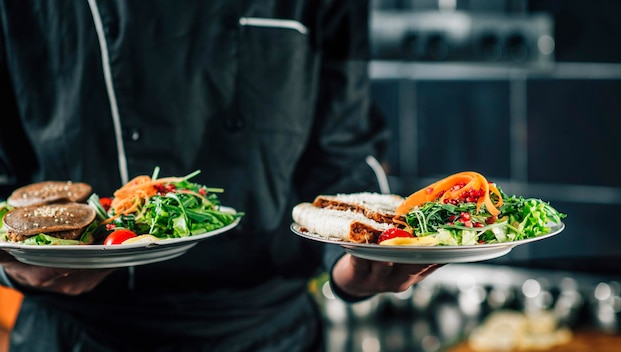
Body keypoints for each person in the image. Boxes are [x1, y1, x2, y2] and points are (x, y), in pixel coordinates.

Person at [0, 1, 442, 351]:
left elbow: (343, 149)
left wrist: (358, 263)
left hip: (266, 332)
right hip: (77, 332)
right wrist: (16, 266)